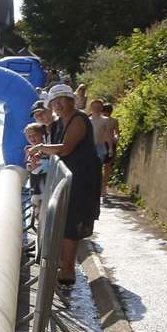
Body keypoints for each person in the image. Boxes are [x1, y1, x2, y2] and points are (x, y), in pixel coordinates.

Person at [29, 84, 103, 287]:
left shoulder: (78, 119)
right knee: (64, 217)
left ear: (71, 100)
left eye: (62, 99)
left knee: (72, 220)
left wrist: (41, 147)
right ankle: (63, 263)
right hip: (70, 175)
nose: (58, 104)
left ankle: (68, 269)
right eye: (54, 101)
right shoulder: (60, 121)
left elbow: (67, 148)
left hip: (82, 176)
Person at [89, 100, 119, 197]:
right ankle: (92, 187)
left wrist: (110, 148)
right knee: (90, 168)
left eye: (99, 107)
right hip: (90, 147)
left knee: (100, 168)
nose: (97, 109)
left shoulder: (108, 121)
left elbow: (109, 134)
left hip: (102, 147)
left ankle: (102, 187)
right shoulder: (87, 119)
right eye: (94, 106)